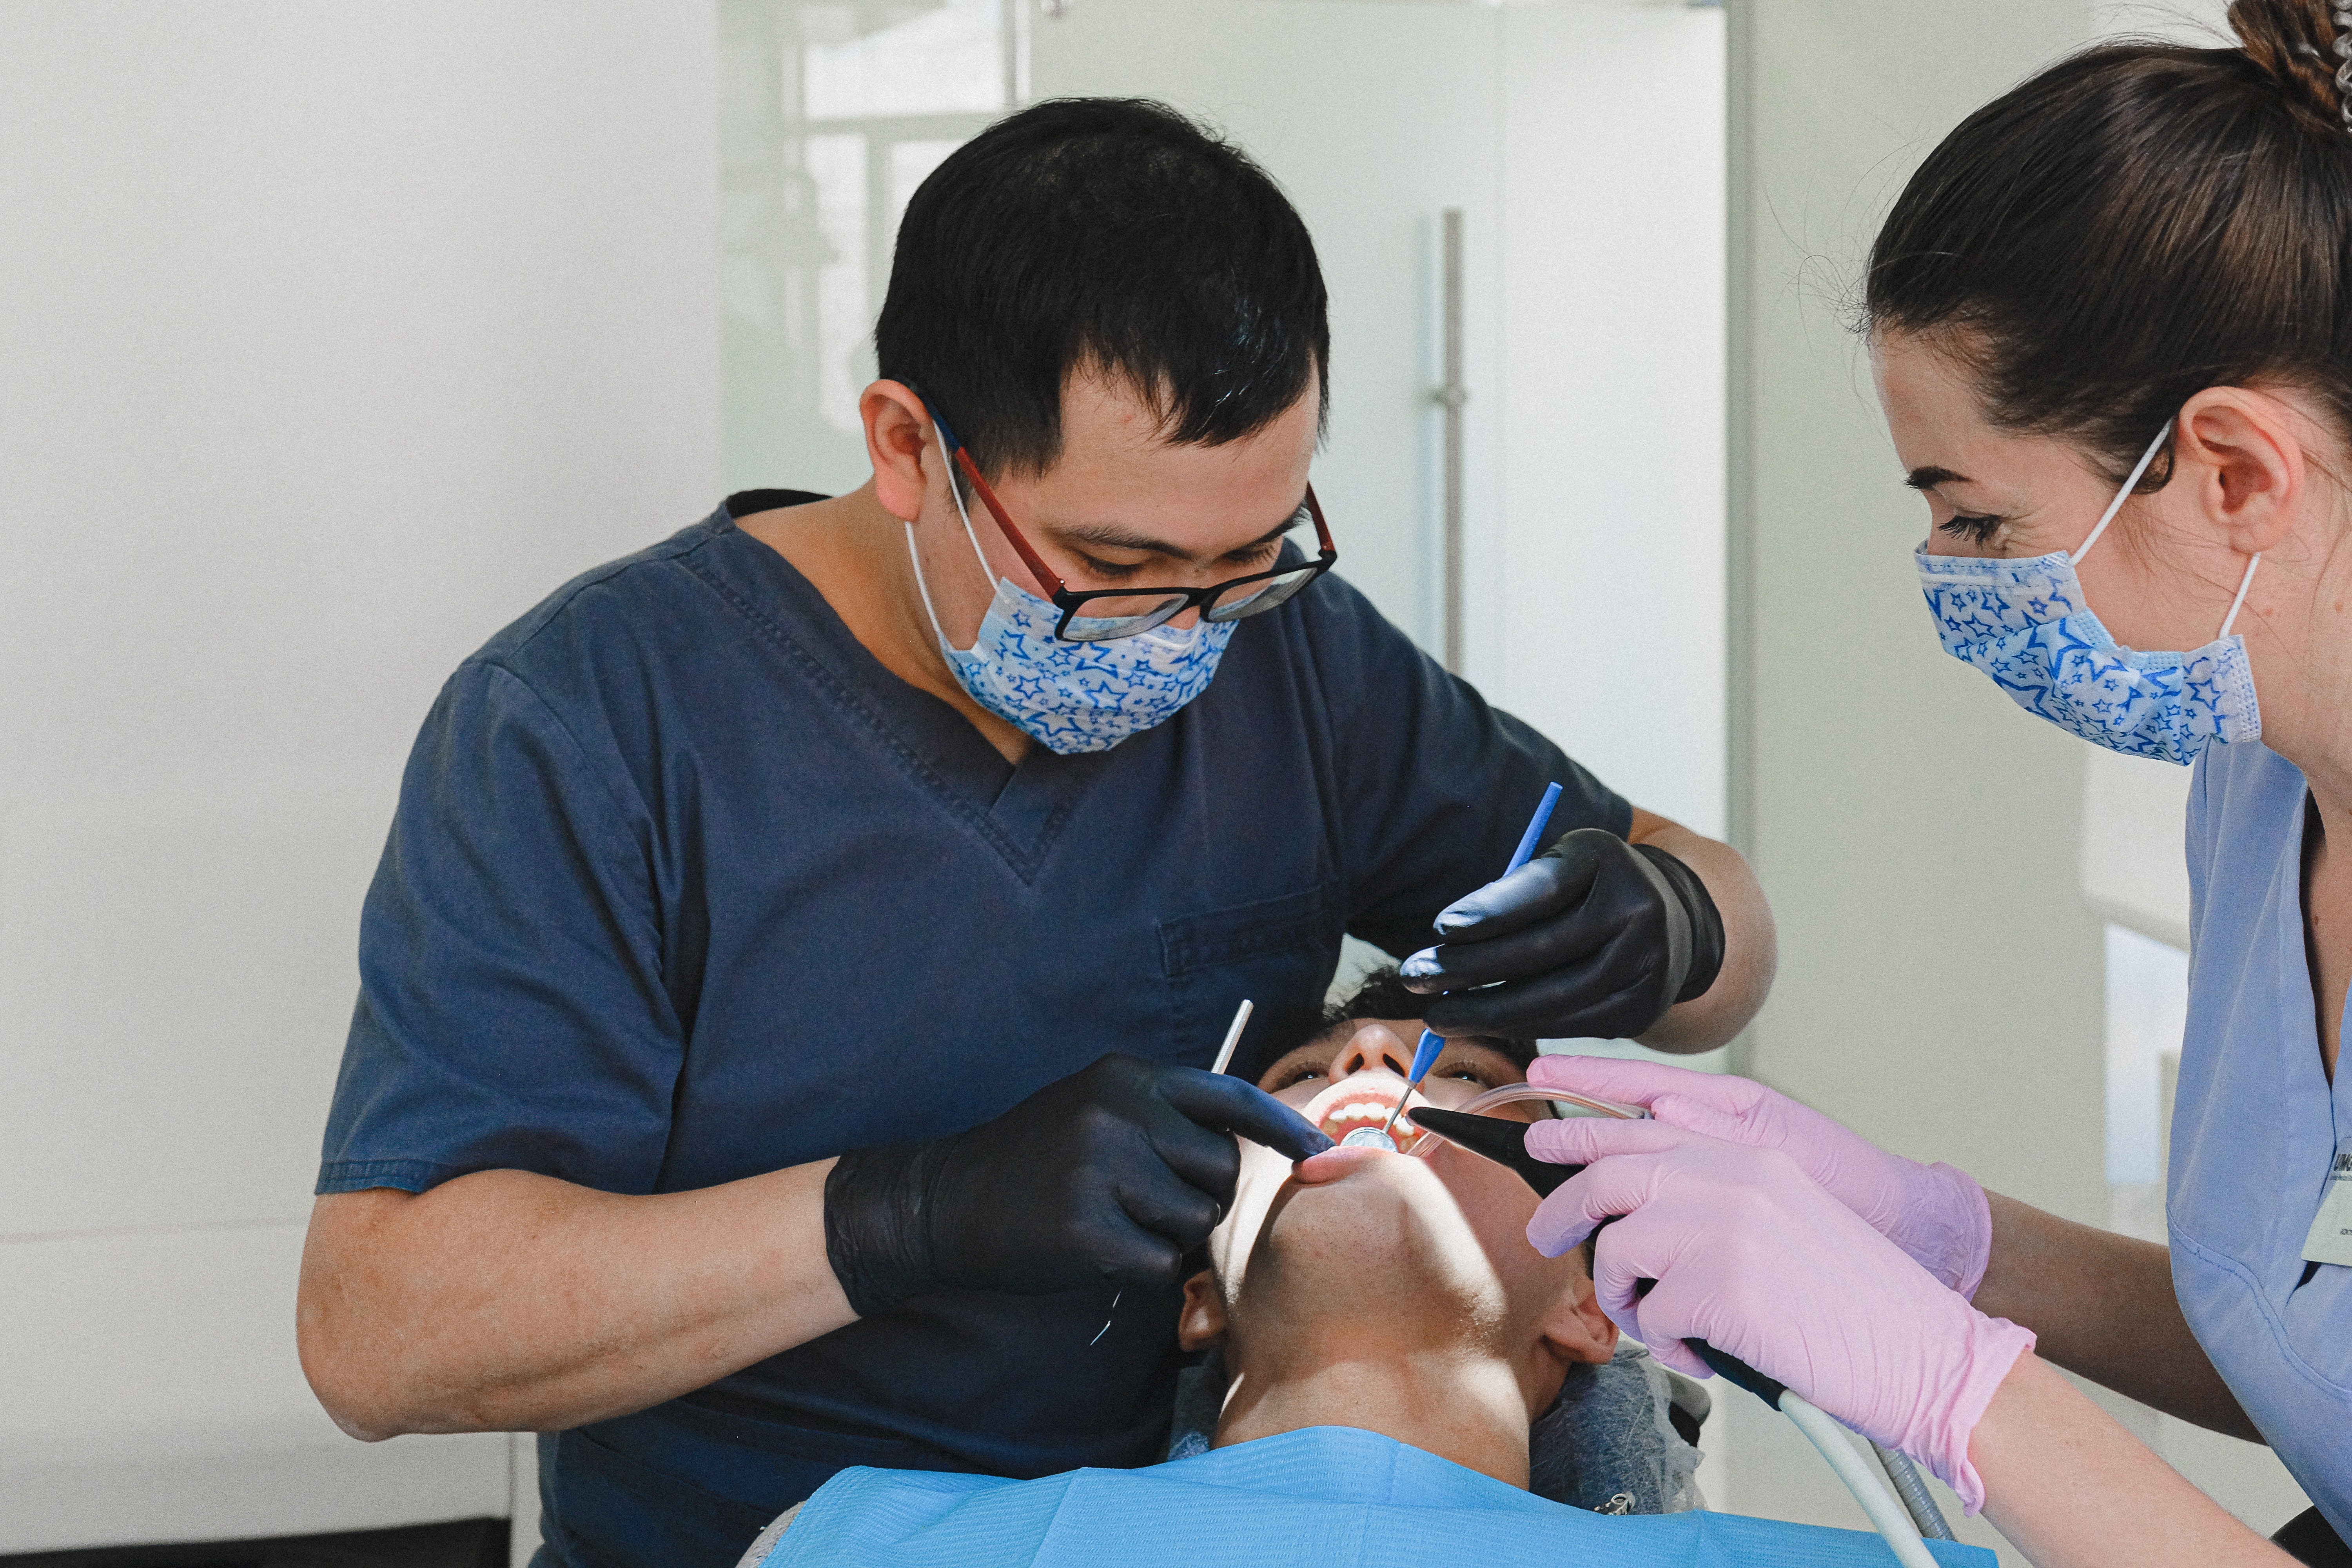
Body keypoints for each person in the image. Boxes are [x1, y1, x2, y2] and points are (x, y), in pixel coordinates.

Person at [293, 98, 1776, 1568]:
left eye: (1249, 559)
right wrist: (902, 1219)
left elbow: (1728, 954)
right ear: (906, 444)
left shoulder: (1300, 670)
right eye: (1114, 564)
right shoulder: (595, 722)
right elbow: (382, 1334)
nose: (1187, 634)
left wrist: (1678, 923)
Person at [1405, 4, 2352, 1565]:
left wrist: (1956, 1390)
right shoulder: (2254, 801)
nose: (1947, 578)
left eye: (1978, 522)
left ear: (2236, 471)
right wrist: (1939, 1238)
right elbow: (2300, 1338)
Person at [730, 980, 1994, 1568]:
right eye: (1294, 1080)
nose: (1377, 1058)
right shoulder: (856, 1540)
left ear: (1595, 1306)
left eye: (1462, 1081)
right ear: (1201, 1294)